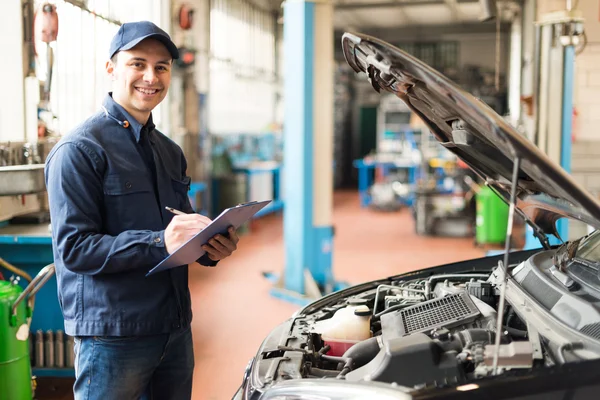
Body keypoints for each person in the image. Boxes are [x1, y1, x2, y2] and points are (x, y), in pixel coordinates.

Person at [44, 21, 239, 400]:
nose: (151, 77)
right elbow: (74, 249)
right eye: (138, 64)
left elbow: (180, 230)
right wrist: (158, 241)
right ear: (111, 69)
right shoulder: (80, 151)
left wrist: (211, 247)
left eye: (161, 67)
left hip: (174, 327)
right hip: (115, 336)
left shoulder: (168, 151)